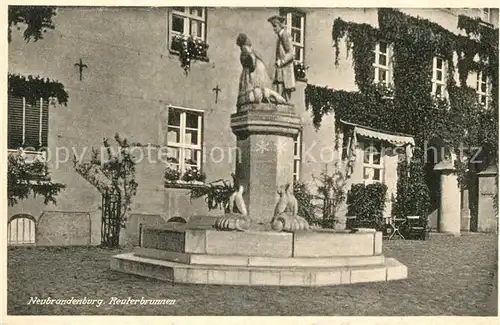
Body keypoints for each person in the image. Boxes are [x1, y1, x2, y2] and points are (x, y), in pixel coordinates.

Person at [267, 15, 296, 101]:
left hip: (285, 70)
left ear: (281, 25)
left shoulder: (285, 35)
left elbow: (291, 53)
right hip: (281, 70)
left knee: (284, 96)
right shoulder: (279, 37)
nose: (274, 29)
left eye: (275, 26)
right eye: (273, 26)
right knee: (279, 94)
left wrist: (282, 61)